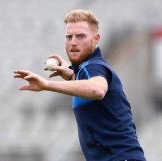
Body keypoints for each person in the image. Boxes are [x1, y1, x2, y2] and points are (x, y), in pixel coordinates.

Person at [13, 9, 146, 161]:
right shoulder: (85, 70)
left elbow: (97, 90)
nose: (73, 42)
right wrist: (72, 76)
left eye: (81, 36)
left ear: (96, 39)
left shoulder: (94, 66)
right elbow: (92, 90)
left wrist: (46, 84)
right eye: (69, 37)